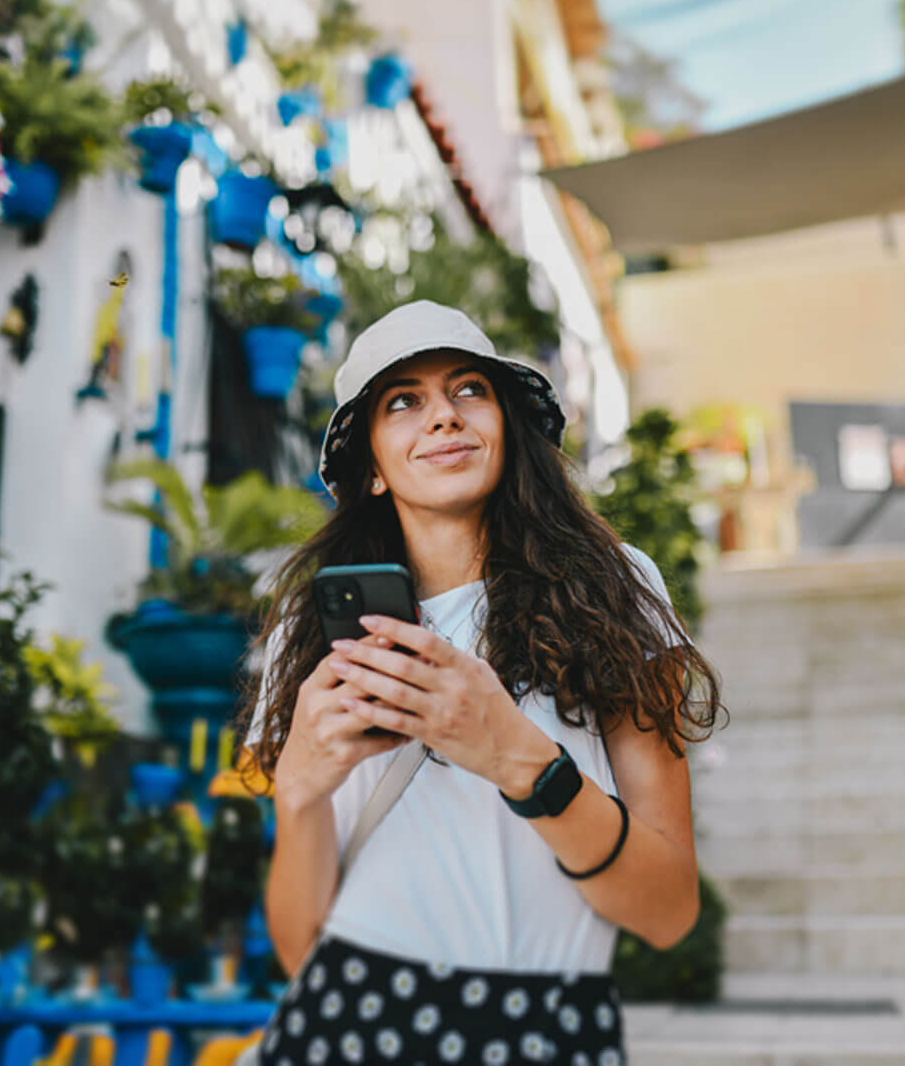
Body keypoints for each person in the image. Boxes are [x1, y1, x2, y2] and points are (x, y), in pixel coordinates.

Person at [242, 301, 722, 1066]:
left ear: (508, 428)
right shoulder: (313, 623)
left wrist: (516, 758)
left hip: (545, 1030)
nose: (443, 418)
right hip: (343, 1027)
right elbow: (302, 950)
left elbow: (667, 910)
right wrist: (298, 792)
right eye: (403, 402)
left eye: (470, 390)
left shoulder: (616, 588)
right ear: (367, 468)